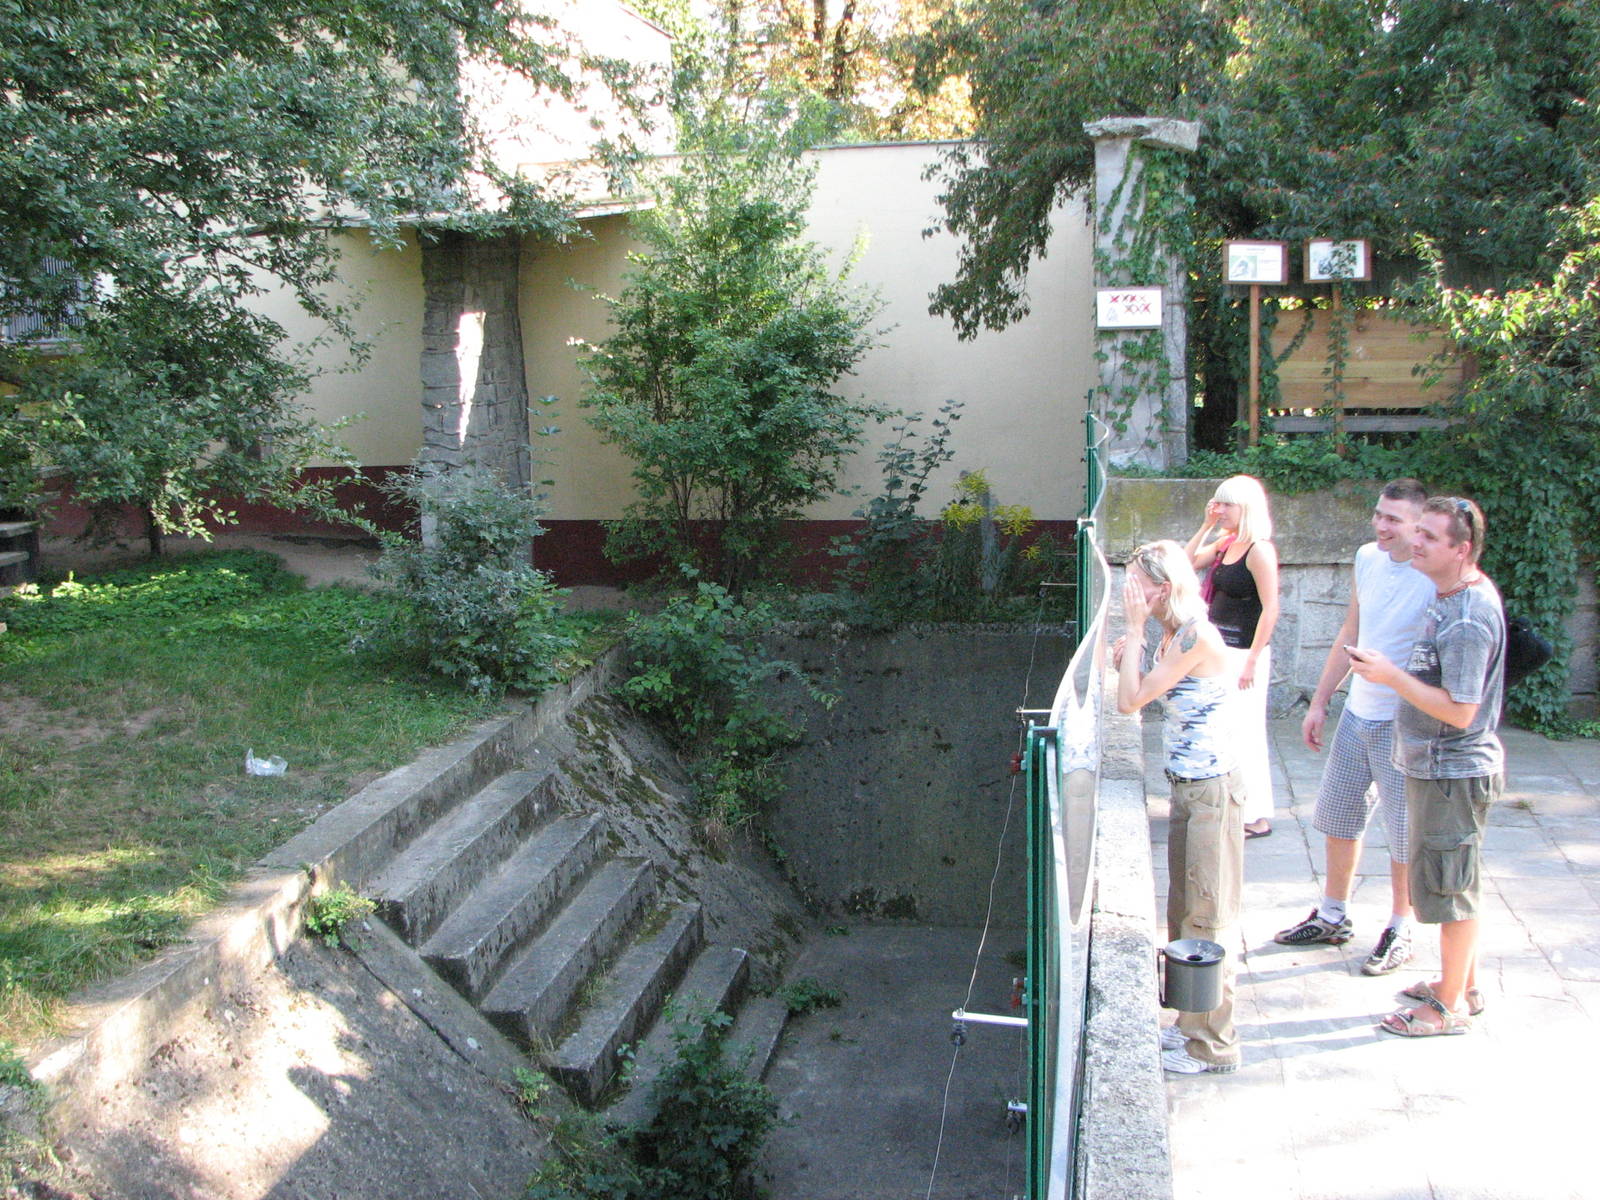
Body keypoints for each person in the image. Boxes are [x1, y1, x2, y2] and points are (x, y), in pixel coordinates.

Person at [1347, 497, 1506, 1037]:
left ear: (1462, 550)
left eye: (1431, 538)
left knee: (1450, 889)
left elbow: (1461, 712)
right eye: (1421, 534)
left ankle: (1450, 1009)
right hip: (1434, 769)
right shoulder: (1448, 594)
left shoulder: (1465, 617)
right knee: (1452, 881)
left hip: (1452, 773)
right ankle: (1461, 984)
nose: (1417, 543)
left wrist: (1390, 677)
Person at [1276, 479, 1434, 976]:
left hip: (1404, 721)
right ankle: (1332, 914)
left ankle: (1400, 926)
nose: (1380, 525)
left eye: (1393, 519)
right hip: (1357, 712)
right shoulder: (1367, 557)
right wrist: (1320, 700)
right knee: (1339, 816)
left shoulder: (1434, 575)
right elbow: (1351, 630)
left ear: (1419, 524)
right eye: (1378, 515)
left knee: (1404, 834)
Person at [1115, 540, 1247, 1074]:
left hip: (1213, 790)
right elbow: (1136, 686)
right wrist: (1137, 645)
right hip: (1189, 785)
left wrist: (1132, 632)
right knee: (1184, 911)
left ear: (1162, 589)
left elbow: (1130, 702)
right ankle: (1189, 1026)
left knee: (1209, 916)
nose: (1127, 593)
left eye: (1135, 584)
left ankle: (1213, 1044)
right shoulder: (1175, 630)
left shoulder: (1192, 634)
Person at [1186, 474, 1280, 838]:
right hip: (1223, 650)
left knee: (1246, 732)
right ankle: (1233, 805)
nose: (1220, 509)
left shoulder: (1259, 550)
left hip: (1245, 654)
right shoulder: (1228, 543)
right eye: (1217, 503)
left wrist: (1253, 660)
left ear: (1247, 508)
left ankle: (1255, 815)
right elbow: (1188, 561)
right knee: (1223, 729)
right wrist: (1206, 525)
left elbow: (1271, 608)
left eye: (1226, 504)